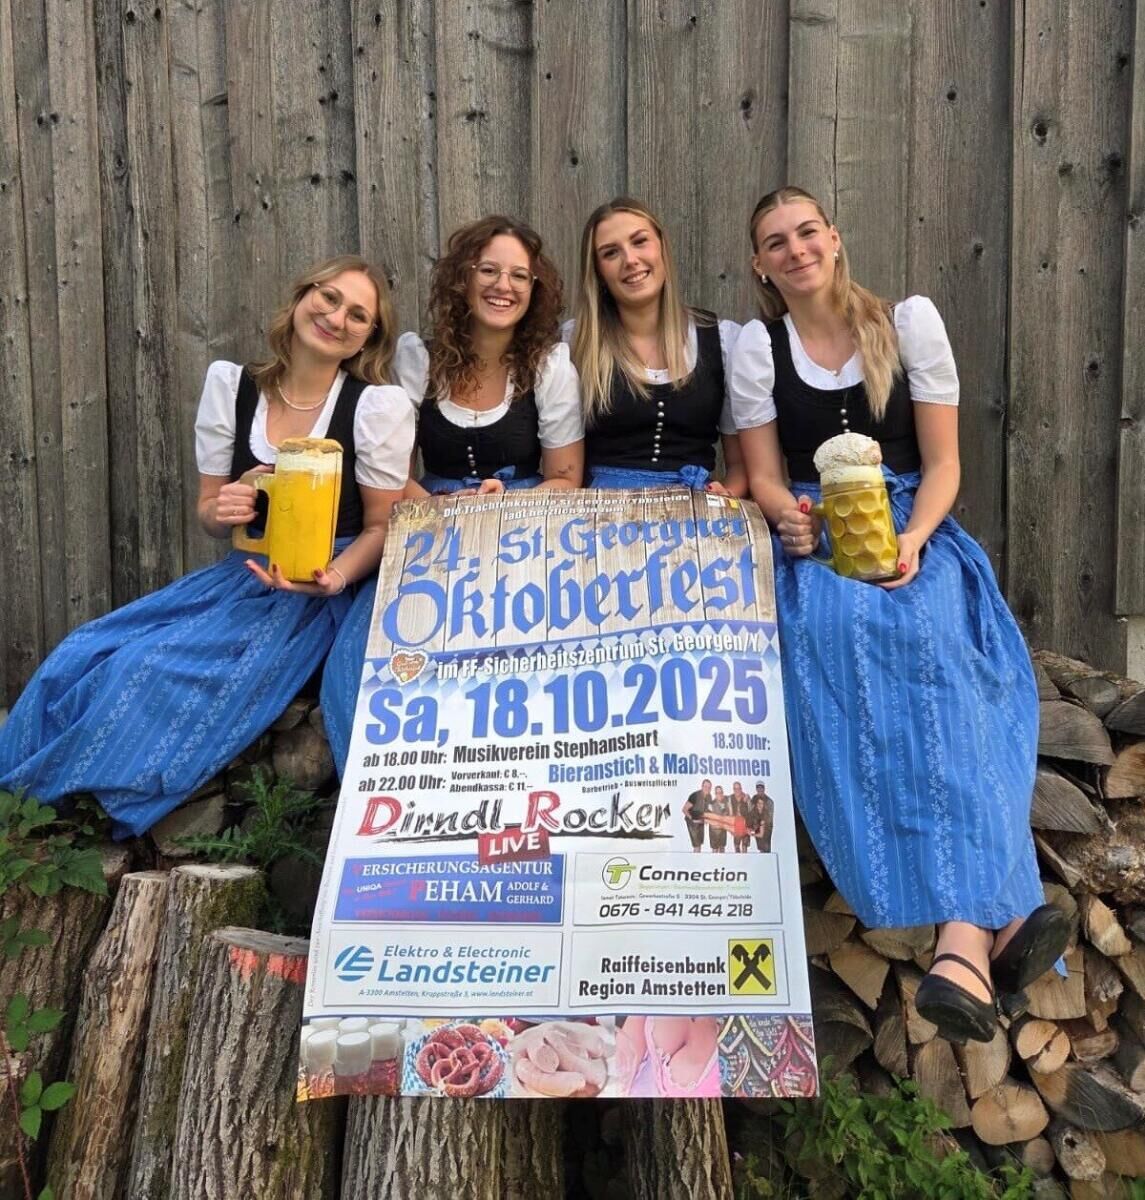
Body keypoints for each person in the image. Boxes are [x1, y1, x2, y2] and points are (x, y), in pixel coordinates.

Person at [728, 186, 1069, 1043]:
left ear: (834, 237)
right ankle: (1001, 920)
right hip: (817, 531)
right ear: (760, 265)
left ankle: (963, 944)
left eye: (807, 231)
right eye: (776, 241)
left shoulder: (904, 325)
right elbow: (763, 473)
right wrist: (788, 517)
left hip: (914, 519)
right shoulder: (760, 349)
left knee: (952, 656)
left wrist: (914, 538)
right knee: (843, 635)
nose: (797, 249)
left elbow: (946, 463)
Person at [0, 256, 414, 836]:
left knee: (146, 667)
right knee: (83, 650)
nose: (336, 317)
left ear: (367, 338)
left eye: (358, 315)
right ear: (302, 298)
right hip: (240, 575)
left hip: (314, 591)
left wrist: (334, 578)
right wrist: (222, 510)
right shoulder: (235, 388)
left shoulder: (372, 408)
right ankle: (19, 798)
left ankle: (71, 808)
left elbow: (381, 526)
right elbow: (209, 513)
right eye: (328, 297)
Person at [320, 216, 584, 771]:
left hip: (521, 528)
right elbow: (388, 468)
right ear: (463, 278)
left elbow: (565, 477)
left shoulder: (548, 365)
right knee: (361, 659)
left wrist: (505, 505)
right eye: (488, 270)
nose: (503, 285)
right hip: (426, 525)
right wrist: (435, 507)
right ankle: (372, 800)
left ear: (534, 289)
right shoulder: (419, 357)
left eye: (519, 275)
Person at [567, 197, 746, 495]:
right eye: (611, 253)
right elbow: (561, 469)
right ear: (597, 272)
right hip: (603, 513)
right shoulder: (576, 343)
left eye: (640, 241)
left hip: (694, 509)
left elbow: (740, 466)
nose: (630, 260)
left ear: (662, 247)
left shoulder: (722, 340)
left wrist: (725, 495)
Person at [683, 779, 712, 853]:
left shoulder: (709, 796)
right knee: (696, 845)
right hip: (692, 822)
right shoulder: (694, 796)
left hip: (700, 821)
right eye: (705, 786)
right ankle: (695, 858)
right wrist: (693, 819)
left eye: (709, 787)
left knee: (700, 843)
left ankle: (698, 857)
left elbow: (707, 809)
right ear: (702, 786)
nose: (707, 789)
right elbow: (684, 809)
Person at [751, 783, 774, 853]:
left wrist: (763, 823)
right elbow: (751, 810)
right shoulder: (754, 798)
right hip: (757, 825)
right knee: (760, 846)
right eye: (758, 788)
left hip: (766, 826)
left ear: (764, 789)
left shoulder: (769, 801)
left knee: (766, 846)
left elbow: (770, 816)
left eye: (761, 788)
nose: (759, 789)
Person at [707, 786, 730, 854]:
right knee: (715, 849)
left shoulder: (725, 802)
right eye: (717, 793)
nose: (719, 794)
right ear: (715, 794)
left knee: (722, 848)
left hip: (723, 830)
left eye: (721, 792)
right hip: (714, 831)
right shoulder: (711, 804)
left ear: (723, 793)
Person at [730, 781, 751, 852]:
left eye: (738, 788)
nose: (737, 790)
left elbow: (751, 812)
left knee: (744, 845)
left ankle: (744, 859)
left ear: (741, 789)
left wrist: (750, 827)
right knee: (737, 846)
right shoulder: (731, 798)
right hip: (736, 825)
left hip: (746, 824)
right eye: (735, 789)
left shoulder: (746, 797)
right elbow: (730, 813)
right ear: (733, 789)